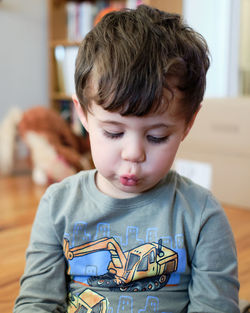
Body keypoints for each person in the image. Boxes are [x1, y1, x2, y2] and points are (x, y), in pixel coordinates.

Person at [14, 5, 240, 313]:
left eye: (157, 136)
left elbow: (215, 306)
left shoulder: (201, 216)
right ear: (83, 115)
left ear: (188, 123)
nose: (133, 153)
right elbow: (37, 302)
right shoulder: (57, 206)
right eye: (113, 132)